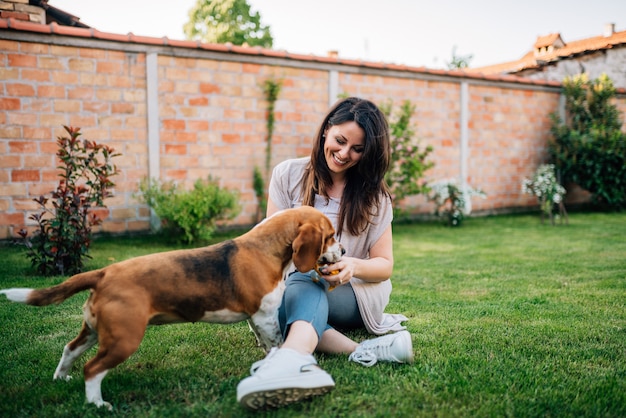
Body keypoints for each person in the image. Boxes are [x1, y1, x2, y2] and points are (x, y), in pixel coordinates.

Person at [237, 97, 413, 409]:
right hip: (295, 285)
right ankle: (362, 351)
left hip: (355, 293)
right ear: (326, 131)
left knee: (304, 280)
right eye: (340, 141)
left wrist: (353, 267)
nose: (345, 154)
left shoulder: (375, 197)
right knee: (281, 299)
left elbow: (384, 266)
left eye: (357, 149)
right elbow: (269, 247)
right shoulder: (288, 175)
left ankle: (291, 360)